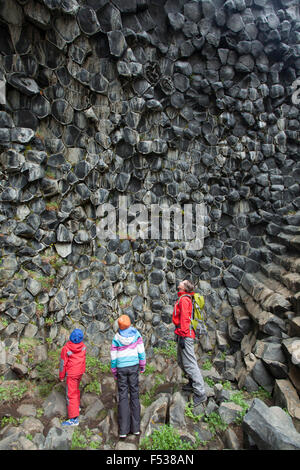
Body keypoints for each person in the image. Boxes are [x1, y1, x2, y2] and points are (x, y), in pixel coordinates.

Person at [172, 280, 207, 409]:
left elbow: (185, 319)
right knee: (181, 361)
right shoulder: (183, 298)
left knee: (190, 363)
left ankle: (200, 392)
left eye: (182, 282)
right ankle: (192, 382)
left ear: (185, 287)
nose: (179, 282)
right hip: (183, 334)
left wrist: (183, 334)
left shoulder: (184, 300)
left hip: (186, 335)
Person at [110, 314, 146, 439]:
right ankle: (135, 428)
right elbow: (141, 351)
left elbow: (113, 356)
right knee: (135, 394)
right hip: (133, 366)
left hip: (121, 367)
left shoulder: (116, 337)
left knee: (123, 396)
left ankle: (123, 430)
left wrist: (114, 370)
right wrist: (142, 365)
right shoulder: (136, 335)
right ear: (130, 323)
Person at [59, 328, 86, 426]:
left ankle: (74, 419)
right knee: (76, 390)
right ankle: (77, 406)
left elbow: (63, 364)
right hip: (80, 372)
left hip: (71, 374)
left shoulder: (66, 349)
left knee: (71, 394)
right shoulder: (83, 347)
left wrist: (61, 376)